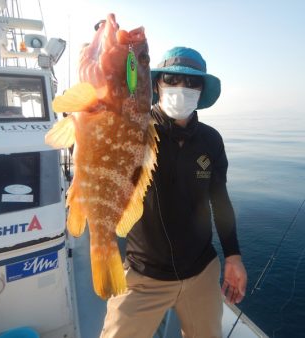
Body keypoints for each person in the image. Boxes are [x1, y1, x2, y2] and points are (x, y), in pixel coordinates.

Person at [101, 46, 248, 338]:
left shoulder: (210, 140)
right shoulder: (134, 131)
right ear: (157, 84)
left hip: (201, 273)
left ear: (201, 90)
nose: (182, 88)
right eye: (172, 79)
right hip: (143, 276)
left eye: (193, 82)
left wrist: (233, 256)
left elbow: (220, 200)